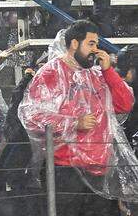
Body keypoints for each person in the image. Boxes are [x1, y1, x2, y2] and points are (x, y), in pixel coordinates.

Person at [18, 20, 137, 214]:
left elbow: (125, 104)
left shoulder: (98, 74)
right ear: (74, 43)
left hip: (100, 166)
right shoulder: (51, 73)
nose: (96, 50)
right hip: (66, 168)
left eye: (97, 44)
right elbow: (32, 115)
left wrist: (108, 71)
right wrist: (73, 123)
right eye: (91, 44)